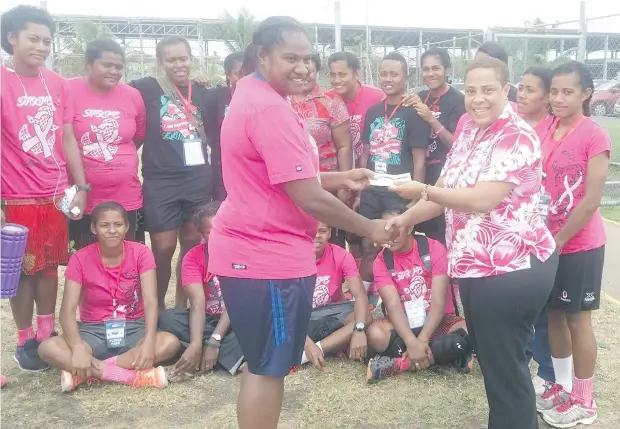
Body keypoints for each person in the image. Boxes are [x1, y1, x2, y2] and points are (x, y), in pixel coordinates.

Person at [209, 16, 397, 429]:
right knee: (267, 366)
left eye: (308, 58)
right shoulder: (268, 109)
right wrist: (369, 229)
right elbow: (308, 197)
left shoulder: (254, 93)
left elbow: (282, 176)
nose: (304, 67)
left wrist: (340, 177)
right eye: (290, 57)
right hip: (265, 257)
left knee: (269, 362)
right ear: (262, 55)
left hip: (262, 250)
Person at [386, 56, 558, 429]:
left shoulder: (516, 135)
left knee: (506, 369)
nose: (478, 99)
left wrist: (423, 189)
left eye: (488, 90)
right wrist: (405, 218)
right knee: (497, 365)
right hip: (478, 268)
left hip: (512, 268)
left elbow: (482, 198)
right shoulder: (469, 129)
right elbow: (446, 188)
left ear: (506, 90)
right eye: (472, 91)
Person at [1, 5, 88, 372]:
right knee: (22, 270)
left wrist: (80, 184)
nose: (41, 46)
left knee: (51, 268)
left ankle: (46, 334)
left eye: (47, 40)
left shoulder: (58, 83)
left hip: (55, 196)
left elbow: (68, 137)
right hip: (16, 195)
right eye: (33, 38)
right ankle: (24, 341)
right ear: (12, 39)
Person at [37, 202, 181, 392]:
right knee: (47, 348)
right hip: (92, 331)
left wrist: (148, 341)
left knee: (170, 343)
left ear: (127, 227)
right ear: (93, 228)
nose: (112, 230)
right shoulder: (80, 258)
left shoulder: (141, 253)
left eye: (118, 224)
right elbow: (67, 311)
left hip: (134, 327)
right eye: (104, 225)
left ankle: (85, 372)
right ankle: (130, 377)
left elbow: (151, 302)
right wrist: (78, 346)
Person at [536, 61, 610, 428]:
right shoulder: (548, 127)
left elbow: (592, 199)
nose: (559, 99)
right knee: (554, 316)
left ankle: (585, 399)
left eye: (568, 92)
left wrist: (559, 240)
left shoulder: (594, 135)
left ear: (586, 94)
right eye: (554, 91)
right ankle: (561, 386)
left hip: (578, 245)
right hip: (549, 241)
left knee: (579, 321)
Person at [130, 36, 212, 310]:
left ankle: (181, 309)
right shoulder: (145, 88)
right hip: (161, 181)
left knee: (190, 245)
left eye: (183, 58)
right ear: (160, 62)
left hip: (198, 180)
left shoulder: (201, 91)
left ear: (191, 59)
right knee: (163, 248)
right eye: (171, 59)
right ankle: (156, 309)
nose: (178, 64)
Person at [366, 210, 470, 383]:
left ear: (410, 226)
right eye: (385, 231)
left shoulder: (434, 248)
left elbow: (438, 301)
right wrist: (411, 342)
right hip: (403, 325)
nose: (390, 235)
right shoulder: (381, 261)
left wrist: (422, 339)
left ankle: (401, 364)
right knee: (376, 334)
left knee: (470, 329)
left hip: (438, 321)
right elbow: (392, 306)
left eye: (395, 228)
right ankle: (446, 354)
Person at [357, 52, 430, 285]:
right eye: (384, 74)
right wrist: (361, 189)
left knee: (395, 244)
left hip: (399, 191)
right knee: (368, 245)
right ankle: (367, 301)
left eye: (394, 74)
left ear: (406, 78)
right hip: (372, 188)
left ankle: (398, 297)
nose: (388, 79)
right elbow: (366, 152)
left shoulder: (414, 113)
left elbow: (419, 159)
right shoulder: (373, 111)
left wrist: (417, 197)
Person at [68, 38, 146, 251]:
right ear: (88, 64)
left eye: (119, 67)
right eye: (107, 65)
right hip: (84, 198)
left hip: (125, 196)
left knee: (127, 259)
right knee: (85, 261)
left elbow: (138, 136)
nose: (114, 71)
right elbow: (63, 139)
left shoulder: (132, 95)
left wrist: (116, 162)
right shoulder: (68, 90)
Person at [158, 201, 244, 380]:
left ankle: (205, 357)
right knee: (168, 318)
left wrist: (215, 340)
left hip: (237, 317)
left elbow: (237, 301)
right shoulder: (193, 257)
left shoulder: (242, 253)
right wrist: (197, 343)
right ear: (201, 234)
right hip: (207, 319)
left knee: (257, 321)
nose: (219, 235)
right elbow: (197, 303)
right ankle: (211, 354)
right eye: (210, 231)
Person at [517, 66, 556, 394]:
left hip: (543, 229)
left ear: (547, 97)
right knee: (520, 303)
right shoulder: (511, 125)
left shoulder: (554, 130)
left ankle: (547, 372)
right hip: (510, 231)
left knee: (543, 307)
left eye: (531, 89)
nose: (522, 94)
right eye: (521, 88)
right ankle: (522, 356)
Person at [290, 53, 352, 248]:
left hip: (327, 184)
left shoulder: (331, 100)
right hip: (292, 185)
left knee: (330, 241)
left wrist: (344, 185)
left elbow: (344, 146)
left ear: (317, 71)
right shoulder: (280, 99)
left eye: (310, 70)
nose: (305, 74)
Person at [411, 48, 466, 244]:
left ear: (447, 70)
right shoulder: (420, 96)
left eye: (436, 68)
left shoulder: (459, 101)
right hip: (421, 175)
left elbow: (457, 145)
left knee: (443, 237)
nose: (430, 73)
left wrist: (431, 119)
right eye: (425, 69)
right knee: (423, 240)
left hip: (444, 177)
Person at [299, 222, 371, 370]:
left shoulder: (341, 255)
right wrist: (306, 343)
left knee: (365, 316)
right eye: (311, 231)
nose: (317, 235)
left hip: (332, 313)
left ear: (330, 233)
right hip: (300, 317)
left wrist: (359, 329)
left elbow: (360, 296)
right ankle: (326, 346)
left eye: (322, 231)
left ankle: (313, 351)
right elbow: (284, 309)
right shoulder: (291, 258)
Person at [327, 51, 384, 168]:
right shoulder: (327, 100)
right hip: (339, 170)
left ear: (356, 73)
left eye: (342, 75)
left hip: (370, 167)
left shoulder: (378, 97)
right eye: (333, 75)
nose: (337, 80)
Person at [204, 51, 244, 201]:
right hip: (223, 168)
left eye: (248, 73)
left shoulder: (260, 98)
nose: (243, 78)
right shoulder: (215, 96)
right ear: (228, 74)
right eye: (238, 74)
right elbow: (208, 127)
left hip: (250, 168)